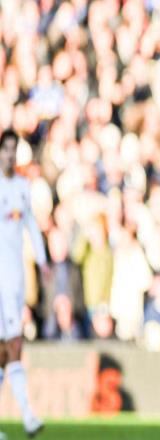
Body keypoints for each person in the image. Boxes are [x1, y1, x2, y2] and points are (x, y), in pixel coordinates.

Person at [0, 129, 47, 437]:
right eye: (5, 149)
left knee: (5, 351)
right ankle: (28, 416)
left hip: (15, 277)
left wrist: (42, 261)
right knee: (14, 343)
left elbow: (30, 223)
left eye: (12, 149)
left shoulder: (22, 186)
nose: (9, 154)